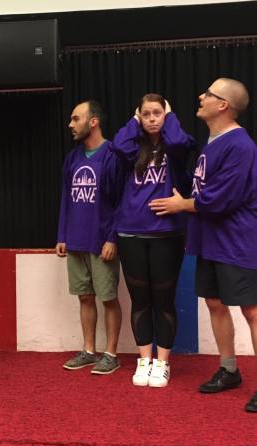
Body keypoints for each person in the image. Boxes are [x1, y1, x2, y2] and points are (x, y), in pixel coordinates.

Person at [149, 78, 257, 412]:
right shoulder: (212, 143)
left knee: (251, 310)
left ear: (223, 105)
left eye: (208, 93)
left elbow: (222, 199)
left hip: (237, 240)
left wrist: (181, 205)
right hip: (210, 239)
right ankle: (229, 370)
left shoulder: (240, 145)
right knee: (214, 302)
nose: (201, 96)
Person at [112, 94, 195, 387]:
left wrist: (170, 116)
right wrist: (134, 120)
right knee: (141, 300)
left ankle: (162, 362)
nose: (151, 119)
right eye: (145, 114)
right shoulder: (133, 147)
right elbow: (118, 145)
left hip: (166, 233)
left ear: (166, 115)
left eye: (157, 113)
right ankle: (144, 359)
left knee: (164, 300)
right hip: (131, 233)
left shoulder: (175, 147)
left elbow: (179, 142)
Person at [56, 100, 124, 375]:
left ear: (93, 121)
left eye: (76, 119)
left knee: (108, 298)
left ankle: (111, 354)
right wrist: (62, 234)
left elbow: (121, 201)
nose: (71, 124)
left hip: (101, 240)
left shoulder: (113, 155)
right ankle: (88, 350)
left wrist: (113, 238)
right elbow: (65, 198)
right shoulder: (72, 158)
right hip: (76, 239)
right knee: (84, 297)